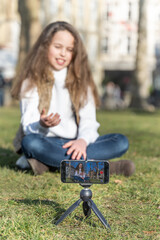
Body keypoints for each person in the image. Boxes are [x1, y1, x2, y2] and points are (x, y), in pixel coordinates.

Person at [11, 21, 135, 176]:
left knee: (121, 142)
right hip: (47, 142)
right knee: (30, 143)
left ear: (75, 54)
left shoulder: (82, 82)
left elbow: (88, 121)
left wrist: (82, 141)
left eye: (69, 50)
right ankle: (103, 168)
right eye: (57, 47)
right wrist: (42, 124)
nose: (63, 53)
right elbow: (28, 126)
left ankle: (48, 164)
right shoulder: (31, 82)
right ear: (45, 47)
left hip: (77, 143)